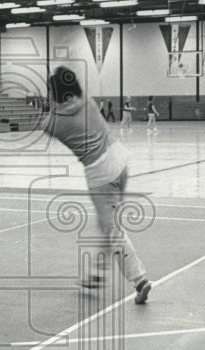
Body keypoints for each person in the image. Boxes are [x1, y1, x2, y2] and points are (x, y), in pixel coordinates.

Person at [41, 67, 152, 305]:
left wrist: (51, 101)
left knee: (113, 230)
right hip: (120, 160)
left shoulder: (53, 123)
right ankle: (97, 273)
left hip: (100, 174)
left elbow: (46, 119)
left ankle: (140, 280)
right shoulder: (89, 102)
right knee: (107, 225)